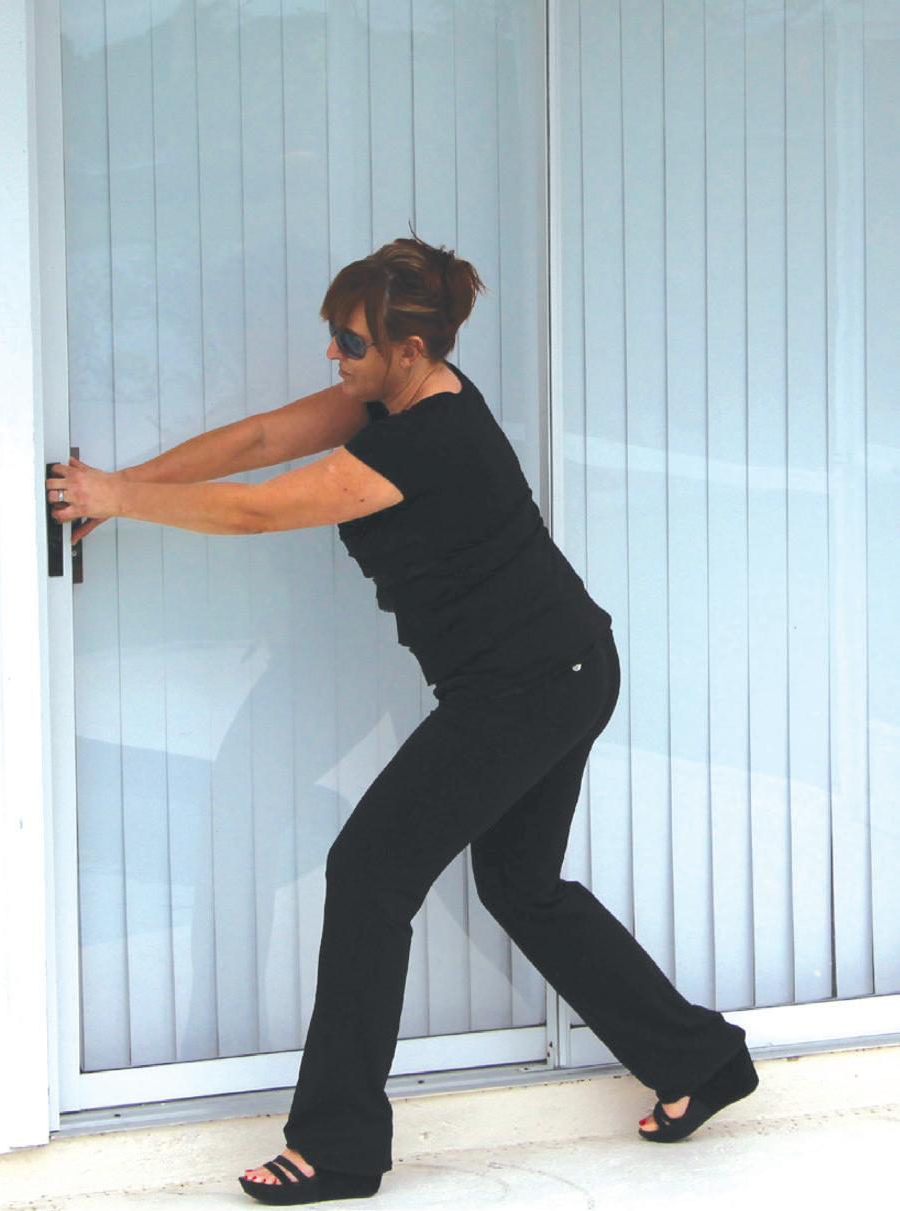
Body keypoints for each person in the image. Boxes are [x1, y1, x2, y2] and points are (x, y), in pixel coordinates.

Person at [47, 231, 759, 1207]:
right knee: (519, 883)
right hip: (553, 667)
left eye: (350, 342)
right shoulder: (390, 399)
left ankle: (336, 1148)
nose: (333, 356)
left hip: (533, 683)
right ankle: (701, 1058)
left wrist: (121, 495)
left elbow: (259, 509)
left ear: (409, 350)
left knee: (370, 872)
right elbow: (258, 441)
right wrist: (127, 487)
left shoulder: (428, 438)